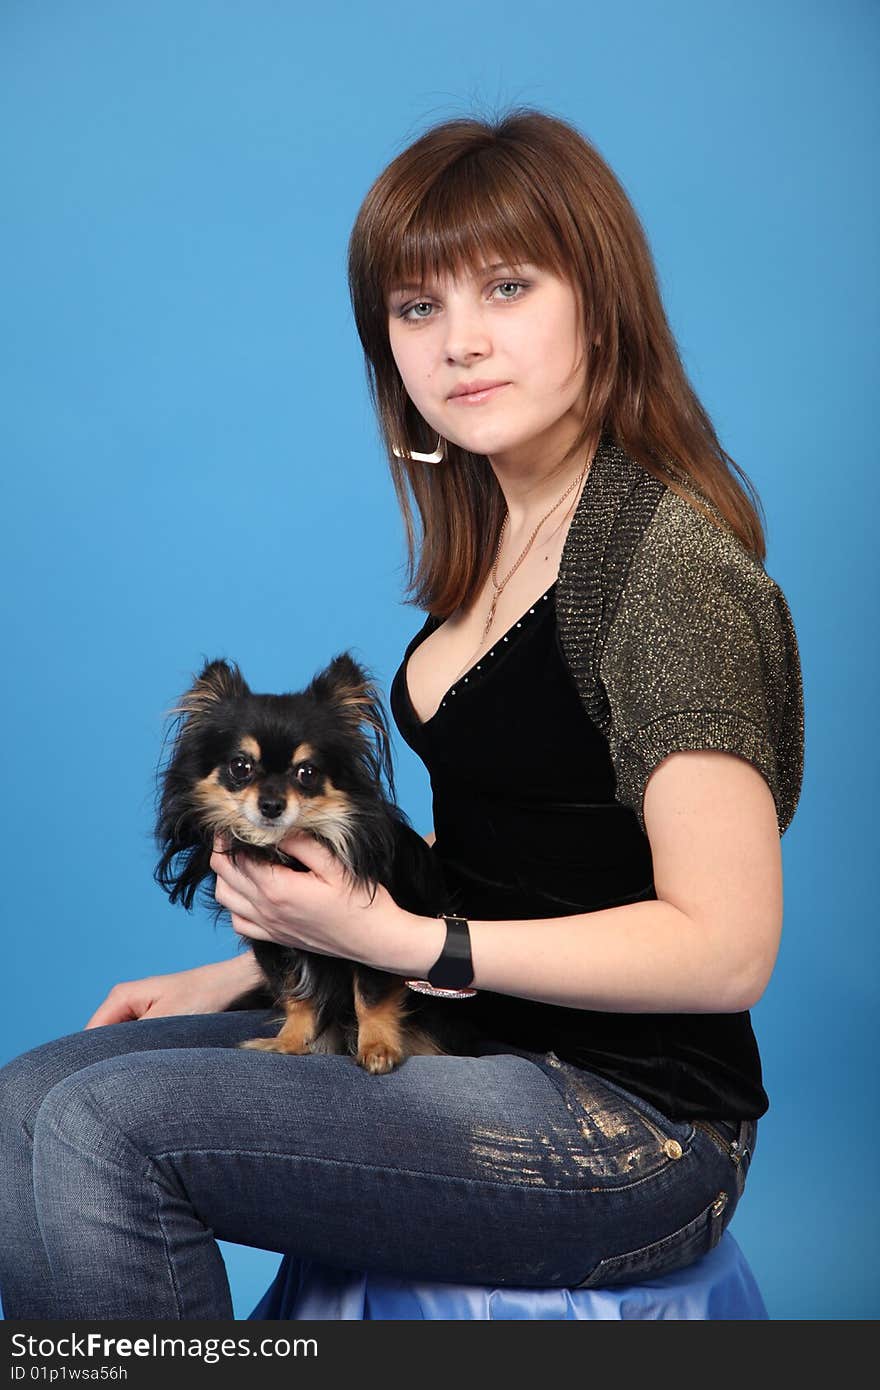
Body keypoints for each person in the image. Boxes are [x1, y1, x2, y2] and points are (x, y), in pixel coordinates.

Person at [0, 107, 804, 1320]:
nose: (459, 343)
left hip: (633, 1128)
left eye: (506, 287)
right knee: (26, 1104)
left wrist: (406, 947)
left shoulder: (663, 573)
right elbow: (507, 865)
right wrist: (249, 969)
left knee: (101, 1128)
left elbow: (727, 943)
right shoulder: (500, 544)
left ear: (603, 300)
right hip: (463, 1037)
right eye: (417, 308)